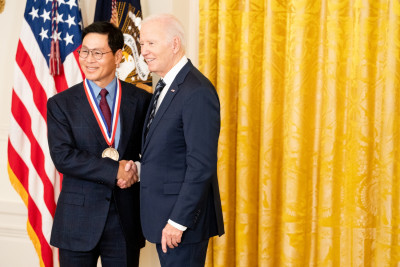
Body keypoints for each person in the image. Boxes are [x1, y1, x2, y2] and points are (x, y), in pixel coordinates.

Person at [47, 21, 151, 267]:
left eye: (97, 53)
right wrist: (114, 170)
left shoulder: (141, 100)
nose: (88, 59)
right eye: (84, 51)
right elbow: (63, 157)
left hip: (125, 219)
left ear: (117, 56)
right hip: (77, 221)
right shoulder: (61, 103)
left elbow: (151, 151)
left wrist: (135, 169)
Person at [137, 13, 225, 266]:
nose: (144, 52)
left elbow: (201, 164)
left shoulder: (196, 91)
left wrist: (178, 222)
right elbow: (169, 151)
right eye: (142, 44)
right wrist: (141, 168)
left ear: (174, 44)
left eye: (150, 44)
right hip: (164, 218)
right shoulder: (166, 85)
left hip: (181, 224)